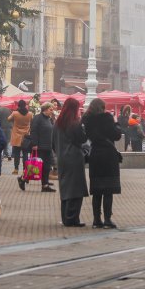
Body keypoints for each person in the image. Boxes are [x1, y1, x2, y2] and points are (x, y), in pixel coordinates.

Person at [83, 98, 123, 229]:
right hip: (108, 156)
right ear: (102, 107)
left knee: (97, 190)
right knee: (108, 190)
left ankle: (96, 220)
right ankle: (107, 219)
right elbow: (116, 135)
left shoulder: (87, 119)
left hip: (95, 155)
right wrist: (116, 124)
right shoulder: (107, 118)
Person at [53, 97, 89, 227]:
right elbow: (82, 138)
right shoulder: (74, 123)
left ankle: (66, 217)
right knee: (76, 189)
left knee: (65, 188)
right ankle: (73, 218)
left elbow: (53, 143)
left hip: (62, 159)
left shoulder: (57, 124)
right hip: (74, 158)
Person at [21, 102, 55, 192]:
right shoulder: (37, 118)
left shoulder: (48, 119)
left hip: (48, 146)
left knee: (46, 167)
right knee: (35, 166)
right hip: (40, 147)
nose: (52, 111)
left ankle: (45, 185)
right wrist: (34, 144)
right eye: (51, 109)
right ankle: (22, 179)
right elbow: (34, 131)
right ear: (45, 109)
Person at [8, 100, 32, 176]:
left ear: (18, 105)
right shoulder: (30, 114)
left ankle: (16, 169)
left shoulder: (15, 113)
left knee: (17, 153)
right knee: (25, 154)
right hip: (26, 136)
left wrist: (14, 117)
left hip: (16, 135)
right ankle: (25, 170)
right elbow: (32, 121)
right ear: (25, 105)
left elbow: (8, 119)